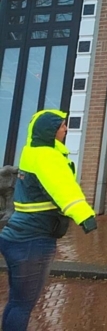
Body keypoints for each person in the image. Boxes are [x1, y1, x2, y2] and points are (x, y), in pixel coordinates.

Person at [1, 110, 97, 331]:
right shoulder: (48, 157)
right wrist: (85, 216)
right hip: (32, 242)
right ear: (50, 131)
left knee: (17, 302)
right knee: (22, 305)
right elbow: (64, 188)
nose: (65, 129)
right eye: (62, 126)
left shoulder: (32, 152)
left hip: (17, 237)